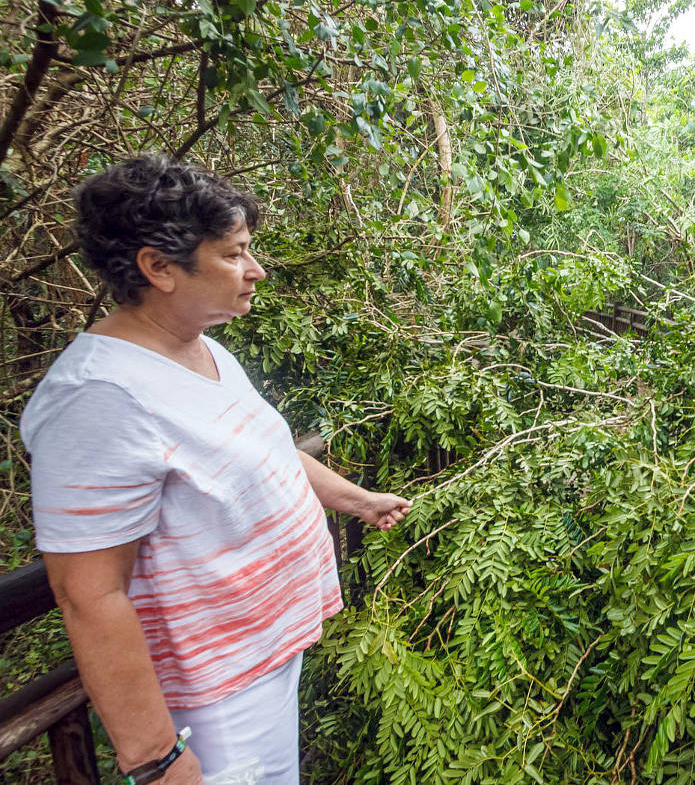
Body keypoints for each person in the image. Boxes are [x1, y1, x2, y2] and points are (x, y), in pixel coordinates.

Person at [20, 155, 411, 784]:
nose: (255, 270)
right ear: (158, 266)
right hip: (213, 694)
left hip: (258, 652)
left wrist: (355, 501)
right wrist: (156, 756)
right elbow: (89, 593)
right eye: (234, 254)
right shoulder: (100, 399)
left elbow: (268, 449)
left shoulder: (200, 346)